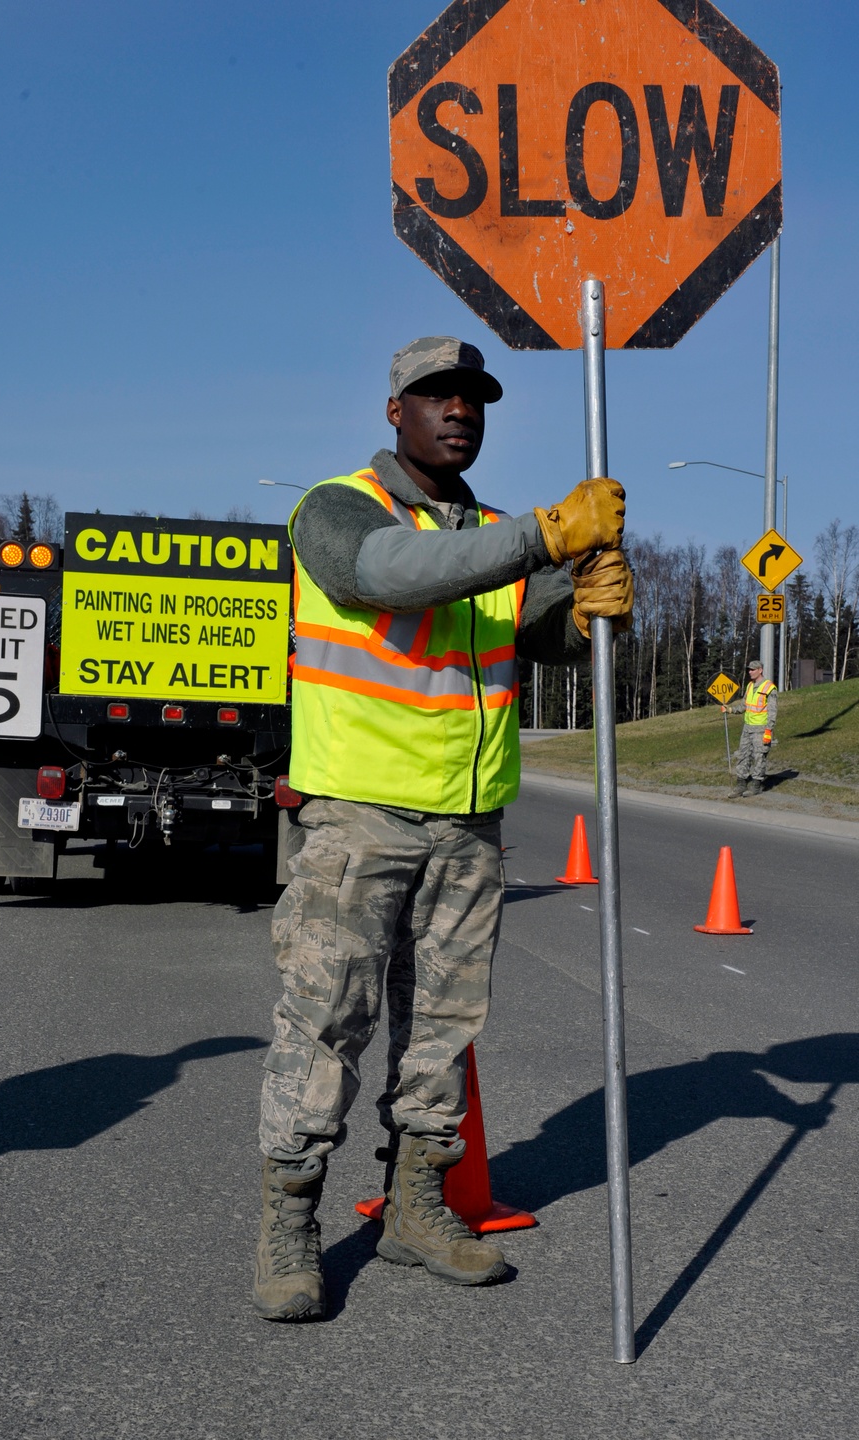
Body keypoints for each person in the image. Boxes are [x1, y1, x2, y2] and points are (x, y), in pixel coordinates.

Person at [254, 335, 632, 1322]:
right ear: (394, 411)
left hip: (467, 824)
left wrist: (591, 608)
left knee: (441, 1035)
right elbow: (392, 575)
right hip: (358, 817)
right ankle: (289, 1229)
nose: (457, 410)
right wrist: (542, 540)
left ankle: (416, 1208)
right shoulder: (338, 510)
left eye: (472, 397)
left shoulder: (501, 530)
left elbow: (541, 630)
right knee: (325, 1024)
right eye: (435, 394)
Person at [723, 658, 777, 797]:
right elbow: (743, 706)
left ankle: (756, 786)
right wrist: (730, 710)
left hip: (761, 729)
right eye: (749, 670)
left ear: (760, 670)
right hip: (747, 728)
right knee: (743, 756)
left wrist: (768, 731)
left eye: (753, 669)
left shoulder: (769, 687)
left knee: (759, 757)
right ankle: (740, 785)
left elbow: (772, 712)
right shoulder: (749, 686)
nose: (750, 672)